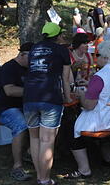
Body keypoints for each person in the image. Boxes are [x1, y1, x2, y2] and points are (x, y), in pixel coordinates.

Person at [63, 41, 110, 179]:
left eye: (97, 54)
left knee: (72, 127)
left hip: (104, 119)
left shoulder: (99, 77)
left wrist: (81, 95)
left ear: (105, 58)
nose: (94, 57)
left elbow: (89, 105)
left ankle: (84, 169)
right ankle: (107, 157)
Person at [23, 22, 73, 185]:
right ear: (57, 36)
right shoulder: (62, 50)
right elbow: (65, 78)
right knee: (47, 140)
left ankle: (40, 176)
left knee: (35, 138)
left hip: (29, 97)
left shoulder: (34, 49)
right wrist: (68, 97)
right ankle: (44, 179)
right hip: (50, 97)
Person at [0, 42, 34, 182]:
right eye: (31, 58)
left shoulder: (30, 68)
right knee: (20, 124)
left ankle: (30, 152)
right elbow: (9, 91)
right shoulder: (8, 68)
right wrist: (35, 92)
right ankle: (17, 166)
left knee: (51, 120)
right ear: (22, 54)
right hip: (4, 108)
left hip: (24, 107)